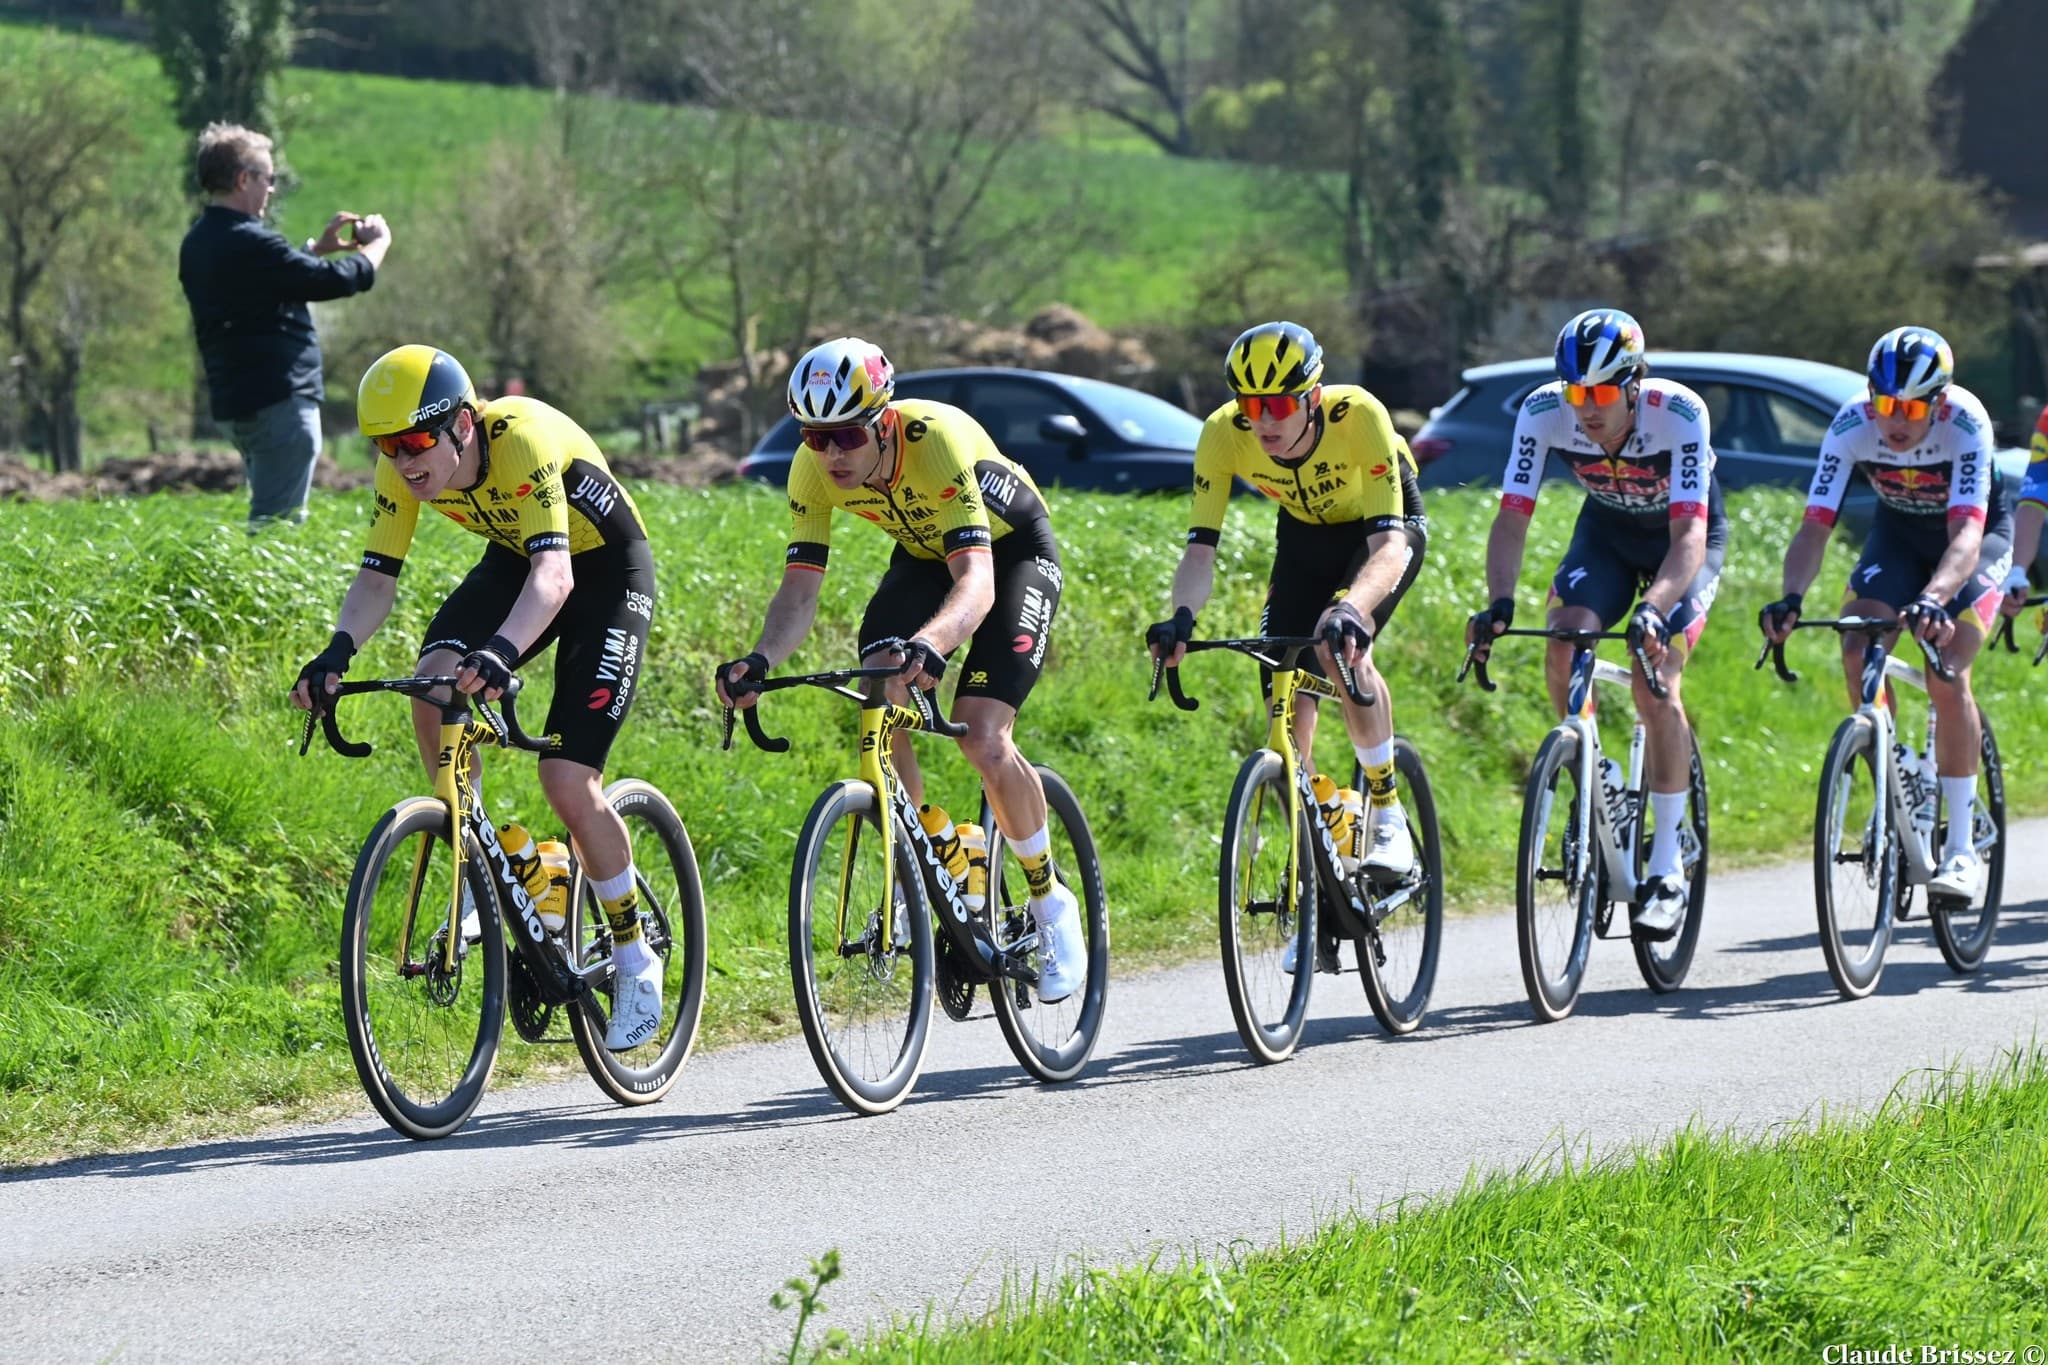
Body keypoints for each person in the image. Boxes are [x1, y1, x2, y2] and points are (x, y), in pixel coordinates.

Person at [289, 346, 663, 1051]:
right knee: (433, 685)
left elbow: (555, 580)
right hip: (514, 560)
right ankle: (491, 855)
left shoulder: (517, 437)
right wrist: (336, 651)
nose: (403, 461)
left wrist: (500, 653)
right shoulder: (403, 470)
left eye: (415, 441)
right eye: (386, 446)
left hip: (607, 574)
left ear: (462, 424)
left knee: (566, 778)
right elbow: (376, 580)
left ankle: (634, 953)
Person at [712, 337, 1086, 1003]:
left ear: (884, 420)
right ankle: (923, 863)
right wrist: (760, 659)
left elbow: (976, 581)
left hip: (1011, 550)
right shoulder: (811, 469)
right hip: (922, 551)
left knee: (980, 733)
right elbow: (799, 593)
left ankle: (1051, 902)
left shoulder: (933, 440)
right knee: (879, 680)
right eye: (815, 436)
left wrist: (935, 642)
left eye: (848, 435)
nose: (832, 454)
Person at [1145, 321, 1428, 972]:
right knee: (1279, 679)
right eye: (1250, 405)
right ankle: (1314, 877)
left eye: (1277, 405)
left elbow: (1390, 548)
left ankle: (1384, 810)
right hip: (1303, 537)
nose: (1263, 421)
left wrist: (1354, 608)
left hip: (1382, 530)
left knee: (1338, 646)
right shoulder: (1223, 433)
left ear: (1313, 395)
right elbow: (1200, 548)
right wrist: (1180, 619)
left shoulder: (1359, 416)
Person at [1465, 308, 1720, 939]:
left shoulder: (1680, 412)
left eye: (1604, 393)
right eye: (1578, 393)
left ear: (1635, 384)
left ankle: (1666, 867)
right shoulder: (1542, 410)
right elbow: (1512, 517)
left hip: (1681, 541)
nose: (1588, 408)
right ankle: (1591, 766)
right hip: (1605, 533)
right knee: (1564, 637)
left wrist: (1655, 610)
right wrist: (1500, 600)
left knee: (1653, 676)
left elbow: (1689, 535)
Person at [1761, 326, 2008, 899]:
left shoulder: (1965, 421)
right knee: (1857, 644)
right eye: (1885, 402)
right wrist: (1792, 597)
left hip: (1971, 543)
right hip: (1897, 537)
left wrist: (1936, 597)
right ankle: (1896, 783)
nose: (1894, 419)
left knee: (1945, 668)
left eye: (1912, 406)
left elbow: (1968, 533)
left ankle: (1962, 846)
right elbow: (1815, 524)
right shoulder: (1852, 423)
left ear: (1939, 401)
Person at [178, 122, 390, 530]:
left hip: (238, 401)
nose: (272, 188)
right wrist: (377, 245)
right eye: (269, 178)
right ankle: (263, 592)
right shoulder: (253, 244)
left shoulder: (200, 241)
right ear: (244, 179)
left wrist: (314, 251)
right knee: (277, 528)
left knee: (273, 514)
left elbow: (264, 287)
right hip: (279, 403)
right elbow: (334, 281)